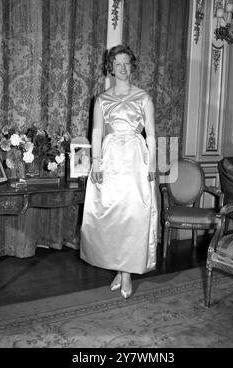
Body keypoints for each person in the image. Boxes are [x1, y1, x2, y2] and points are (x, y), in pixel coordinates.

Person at [80, 44, 157, 299]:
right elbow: (97, 132)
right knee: (113, 215)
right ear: (110, 68)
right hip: (111, 157)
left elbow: (152, 136)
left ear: (132, 66)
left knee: (133, 214)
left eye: (126, 63)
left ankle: (126, 273)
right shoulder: (101, 100)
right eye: (117, 64)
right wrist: (97, 162)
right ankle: (119, 267)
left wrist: (153, 166)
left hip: (136, 158)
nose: (122, 68)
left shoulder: (144, 97)